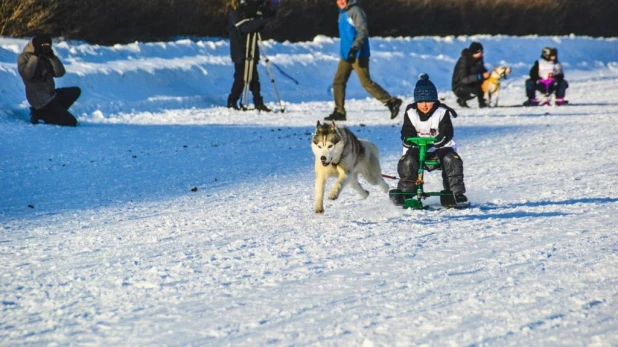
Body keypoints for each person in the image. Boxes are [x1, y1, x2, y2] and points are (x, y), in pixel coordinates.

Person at [390, 73, 467, 206]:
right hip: (418, 148)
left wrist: (439, 139)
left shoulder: (442, 112)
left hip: (440, 149)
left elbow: (447, 130)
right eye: (421, 102)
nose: (424, 105)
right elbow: (407, 129)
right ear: (416, 101)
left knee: (451, 160)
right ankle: (406, 192)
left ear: (435, 100)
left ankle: (455, 193)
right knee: (408, 161)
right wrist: (408, 139)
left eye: (428, 101)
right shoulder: (411, 113)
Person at [324, 0, 402, 121]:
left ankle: (391, 102)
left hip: (358, 53)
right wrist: (348, 51)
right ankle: (339, 111)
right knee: (338, 82)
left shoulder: (356, 11)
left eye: (343, 0)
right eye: (338, 0)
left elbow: (363, 31)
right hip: (346, 54)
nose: (341, 2)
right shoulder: (342, 13)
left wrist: (355, 48)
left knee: (366, 82)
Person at [17, 34, 81, 126]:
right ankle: (40, 114)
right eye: (43, 45)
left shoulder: (46, 57)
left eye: (48, 45)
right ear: (37, 45)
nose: (46, 48)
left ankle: (53, 113)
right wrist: (35, 56)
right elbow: (27, 75)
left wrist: (52, 57)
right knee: (71, 122)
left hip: (51, 95)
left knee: (75, 91)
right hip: (40, 100)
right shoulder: (24, 57)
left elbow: (60, 73)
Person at [226, 0, 273, 112]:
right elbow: (243, 27)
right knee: (241, 78)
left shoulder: (248, 10)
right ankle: (232, 101)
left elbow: (269, 13)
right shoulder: (235, 11)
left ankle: (258, 102)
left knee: (254, 78)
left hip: (250, 47)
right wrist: (259, 22)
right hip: (240, 50)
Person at [451, 41, 490, 108]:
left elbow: (483, 71)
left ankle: (482, 102)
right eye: (481, 52)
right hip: (460, 86)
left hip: (471, 83)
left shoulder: (479, 60)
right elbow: (464, 79)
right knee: (477, 89)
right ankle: (461, 99)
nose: (482, 54)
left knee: (486, 84)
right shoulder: (464, 60)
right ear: (474, 52)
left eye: (482, 52)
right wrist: (480, 76)